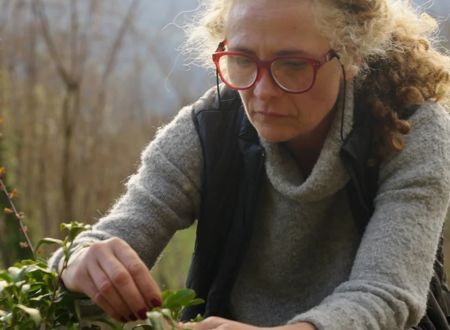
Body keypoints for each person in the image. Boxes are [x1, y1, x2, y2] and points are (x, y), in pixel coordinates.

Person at [49, 0, 450, 329]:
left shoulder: (411, 128)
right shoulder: (210, 128)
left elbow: (386, 294)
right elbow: (110, 237)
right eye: (241, 60)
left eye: (293, 65)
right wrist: (81, 259)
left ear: (353, 57)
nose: (261, 91)